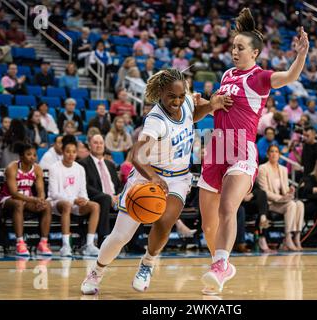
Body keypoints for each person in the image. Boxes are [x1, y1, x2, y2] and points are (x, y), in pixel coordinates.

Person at [80, 68, 230, 295]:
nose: (177, 101)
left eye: (181, 96)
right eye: (172, 96)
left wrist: (211, 105)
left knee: (165, 221)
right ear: (161, 92)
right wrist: (154, 178)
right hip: (148, 176)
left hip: (178, 178)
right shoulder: (155, 120)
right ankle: (96, 271)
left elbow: (192, 114)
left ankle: (147, 264)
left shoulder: (186, 101)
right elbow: (137, 155)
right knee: (121, 236)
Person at [197, 8, 309, 294]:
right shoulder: (226, 74)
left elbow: (290, 76)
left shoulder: (260, 78)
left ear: (255, 53)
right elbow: (220, 110)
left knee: (227, 208)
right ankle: (218, 264)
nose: (234, 51)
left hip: (241, 150)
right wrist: (210, 104)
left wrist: (301, 55)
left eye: (240, 47)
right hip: (217, 148)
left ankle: (221, 264)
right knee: (209, 222)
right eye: (233, 46)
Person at [47, 135, 101, 257]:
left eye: (74, 152)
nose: (71, 154)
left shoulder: (80, 168)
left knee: (95, 206)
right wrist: (73, 200)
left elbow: (83, 190)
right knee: (66, 205)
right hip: (56, 203)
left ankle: (89, 245)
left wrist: (84, 200)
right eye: (68, 152)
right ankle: (66, 246)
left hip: (76, 203)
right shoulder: (54, 168)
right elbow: (54, 193)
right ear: (63, 152)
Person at [0, 142, 53, 256]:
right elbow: (14, 193)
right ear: (21, 156)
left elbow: (41, 190)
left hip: (28, 199)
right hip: (8, 199)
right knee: (18, 203)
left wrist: (41, 200)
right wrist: (34, 200)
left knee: (47, 206)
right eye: (29, 154)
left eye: (34, 155)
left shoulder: (37, 169)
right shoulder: (12, 168)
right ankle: (20, 242)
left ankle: (43, 243)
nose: (32, 157)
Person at [258, 145, 304, 251]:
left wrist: (289, 192)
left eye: (276, 152)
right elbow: (264, 192)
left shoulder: (283, 169)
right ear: (268, 154)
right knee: (292, 205)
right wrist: (280, 198)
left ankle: (297, 237)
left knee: (300, 204)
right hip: (270, 203)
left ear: (279, 155)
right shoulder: (263, 168)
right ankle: (287, 237)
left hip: (282, 201)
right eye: (272, 151)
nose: (274, 154)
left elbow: (285, 189)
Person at [78, 134, 122, 245]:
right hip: (96, 198)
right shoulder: (83, 164)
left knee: (136, 200)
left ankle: (135, 242)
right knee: (105, 198)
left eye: (101, 143)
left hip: (115, 199)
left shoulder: (110, 164)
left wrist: (119, 195)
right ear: (89, 146)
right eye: (95, 143)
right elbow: (86, 187)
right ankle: (104, 238)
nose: (99, 145)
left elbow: (119, 185)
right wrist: (109, 197)